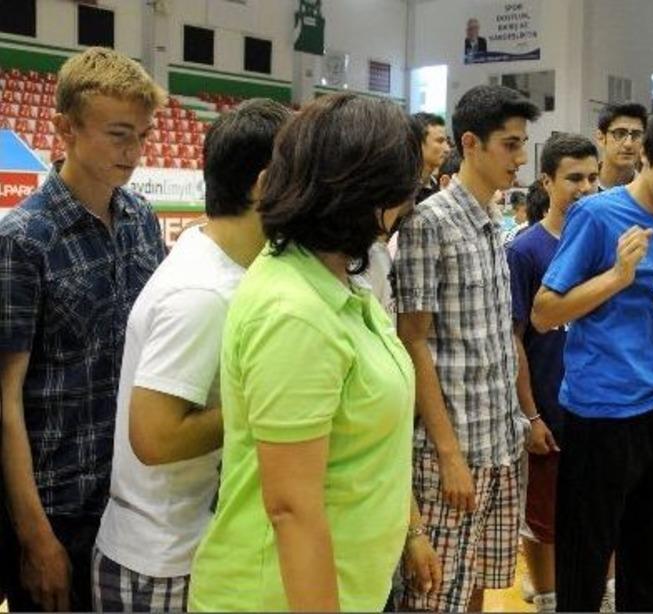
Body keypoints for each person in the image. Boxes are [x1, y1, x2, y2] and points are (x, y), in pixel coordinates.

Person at [187, 93, 427, 611]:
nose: (407, 205)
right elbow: (291, 509)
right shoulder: (294, 311)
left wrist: (409, 529)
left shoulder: (334, 283)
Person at [90, 98, 290, 612]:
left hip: (187, 549)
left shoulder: (221, 260)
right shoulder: (203, 293)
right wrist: (266, 407)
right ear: (266, 185)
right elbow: (154, 437)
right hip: (162, 563)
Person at [0, 47, 167, 613]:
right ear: (64, 129)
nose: (134, 152)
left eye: (142, 136)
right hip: (57, 509)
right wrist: (35, 537)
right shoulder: (23, 240)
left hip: (129, 502)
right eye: (119, 135)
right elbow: (5, 402)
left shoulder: (142, 221)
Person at [531, 102, 653, 612]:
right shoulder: (596, 214)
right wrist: (616, 276)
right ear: (648, 155)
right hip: (601, 413)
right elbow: (544, 313)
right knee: (585, 564)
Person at [394, 84, 540, 613]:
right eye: (510, 145)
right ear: (471, 144)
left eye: (522, 144)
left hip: (499, 444)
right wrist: (449, 454)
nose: (520, 158)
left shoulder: (492, 220)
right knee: (434, 598)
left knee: (478, 585)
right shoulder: (429, 223)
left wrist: (522, 420)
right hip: (451, 453)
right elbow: (412, 340)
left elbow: (496, 337)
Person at [507, 133, 600, 612]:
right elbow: (515, 339)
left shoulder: (605, 243)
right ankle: (547, 597)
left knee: (603, 511)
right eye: (573, 178)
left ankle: (602, 597)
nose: (585, 188)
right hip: (549, 410)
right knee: (542, 519)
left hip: (600, 407)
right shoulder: (525, 251)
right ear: (546, 181)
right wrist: (531, 414)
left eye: (592, 178)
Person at [595, 102, 648, 191]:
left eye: (636, 135)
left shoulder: (650, 193)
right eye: (620, 134)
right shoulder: (582, 189)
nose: (628, 144)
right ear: (601, 138)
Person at [414, 112, 452, 205]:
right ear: (419, 143)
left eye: (446, 141)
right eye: (440, 141)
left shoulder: (440, 186)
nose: (447, 149)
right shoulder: (404, 193)